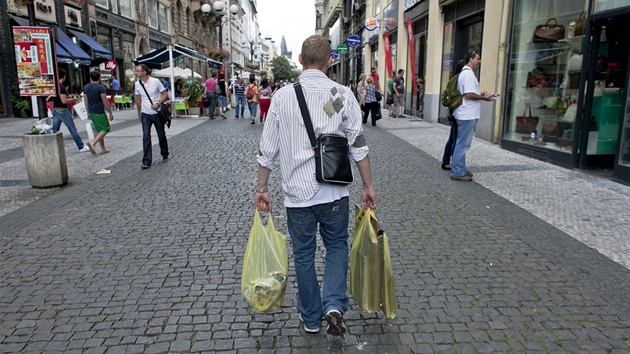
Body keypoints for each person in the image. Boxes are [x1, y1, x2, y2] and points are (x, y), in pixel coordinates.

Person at [254, 34, 377, 336]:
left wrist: (262, 188)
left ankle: (311, 318)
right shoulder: (342, 94)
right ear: (329, 61)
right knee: (336, 245)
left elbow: (266, 149)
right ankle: (334, 303)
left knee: (304, 254)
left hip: (297, 196)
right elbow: (358, 144)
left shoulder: (282, 97)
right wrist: (368, 185)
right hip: (334, 191)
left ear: (299, 59)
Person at [450, 51, 493, 181]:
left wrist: (480, 93)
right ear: (471, 60)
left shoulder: (466, 74)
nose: (479, 61)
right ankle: (457, 171)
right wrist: (484, 98)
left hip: (466, 113)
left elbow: (468, 93)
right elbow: (468, 95)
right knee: (462, 144)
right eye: (478, 59)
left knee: (462, 143)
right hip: (467, 114)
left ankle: (460, 169)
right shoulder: (468, 74)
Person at [134, 64, 170, 169]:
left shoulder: (155, 82)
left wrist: (158, 103)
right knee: (146, 136)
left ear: (144, 72)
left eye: (138, 71)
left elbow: (165, 94)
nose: (136, 72)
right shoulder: (137, 84)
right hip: (145, 114)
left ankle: (164, 153)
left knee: (161, 134)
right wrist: (139, 112)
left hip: (156, 113)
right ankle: (146, 161)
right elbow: (138, 99)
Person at [51, 68, 90, 152]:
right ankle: (81, 146)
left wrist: (70, 96)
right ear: (64, 76)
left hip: (55, 109)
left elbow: (61, 97)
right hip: (63, 110)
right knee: (72, 129)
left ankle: (51, 147)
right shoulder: (61, 87)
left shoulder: (55, 86)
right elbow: (64, 100)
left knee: (54, 130)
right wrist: (74, 100)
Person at [442, 59, 466, 170]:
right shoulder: (461, 79)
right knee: (456, 139)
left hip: (453, 110)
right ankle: (454, 163)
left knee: (452, 137)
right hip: (459, 111)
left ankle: (446, 160)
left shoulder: (453, 79)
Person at [83, 70, 114, 155]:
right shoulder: (100, 88)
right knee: (105, 128)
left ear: (90, 78)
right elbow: (105, 101)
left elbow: (86, 101)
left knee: (99, 130)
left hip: (91, 110)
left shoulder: (86, 87)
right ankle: (93, 143)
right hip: (99, 110)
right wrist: (110, 112)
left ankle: (103, 148)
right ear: (99, 78)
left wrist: (88, 112)